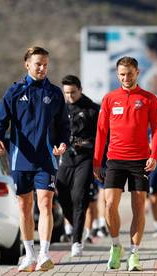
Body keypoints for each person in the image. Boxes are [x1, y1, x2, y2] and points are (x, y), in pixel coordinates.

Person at [0, 46, 69, 272]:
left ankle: (44, 253)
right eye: (38, 64)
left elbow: (64, 126)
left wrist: (63, 143)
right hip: (20, 159)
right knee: (25, 206)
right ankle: (29, 254)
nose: (43, 68)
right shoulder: (14, 92)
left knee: (45, 203)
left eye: (46, 64)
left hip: (46, 160)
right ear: (27, 65)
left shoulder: (55, 94)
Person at [93, 56, 157, 271]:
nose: (126, 78)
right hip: (114, 159)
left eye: (130, 74)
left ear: (138, 73)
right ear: (117, 75)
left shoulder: (149, 98)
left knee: (139, 207)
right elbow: (101, 131)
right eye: (122, 74)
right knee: (109, 204)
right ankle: (115, 246)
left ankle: (134, 254)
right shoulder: (109, 99)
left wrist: (154, 155)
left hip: (140, 160)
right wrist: (97, 160)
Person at [55, 75, 100, 257]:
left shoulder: (92, 109)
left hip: (85, 159)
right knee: (63, 196)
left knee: (79, 197)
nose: (70, 96)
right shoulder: (60, 108)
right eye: (66, 93)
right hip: (66, 159)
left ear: (80, 89)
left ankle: (76, 242)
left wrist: (88, 145)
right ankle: (77, 228)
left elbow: (101, 138)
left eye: (73, 92)